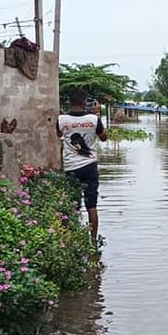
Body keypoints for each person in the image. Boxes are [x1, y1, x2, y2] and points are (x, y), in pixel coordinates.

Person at [57, 89, 107, 244]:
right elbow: (104, 138)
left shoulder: (61, 119)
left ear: (69, 102)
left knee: (73, 204)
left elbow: (58, 135)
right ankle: (93, 242)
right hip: (89, 166)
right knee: (91, 205)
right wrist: (98, 117)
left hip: (71, 167)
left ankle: (71, 240)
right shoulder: (93, 119)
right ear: (85, 102)